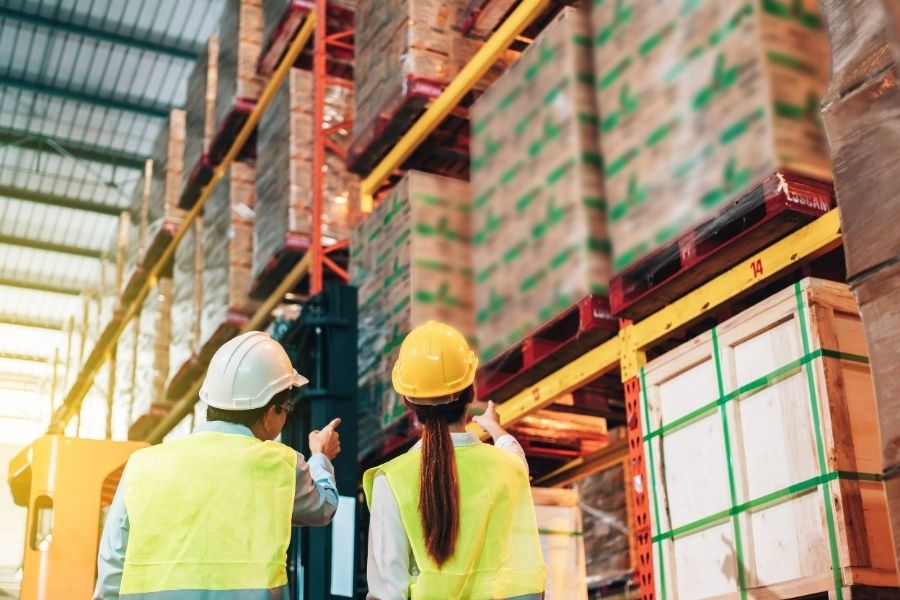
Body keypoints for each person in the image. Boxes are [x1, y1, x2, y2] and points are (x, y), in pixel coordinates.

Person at [94, 331, 342, 599]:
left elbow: (112, 566)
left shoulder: (141, 466)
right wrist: (321, 456)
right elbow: (324, 506)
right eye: (286, 408)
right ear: (271, 413)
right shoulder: (280, 466)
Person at [364, 321, 546, 600]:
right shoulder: (510, 469)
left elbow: (387, 592)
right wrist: (494, 427)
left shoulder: (393, 481)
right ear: (471, 393)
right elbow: (513, 453)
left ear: (407, 403)